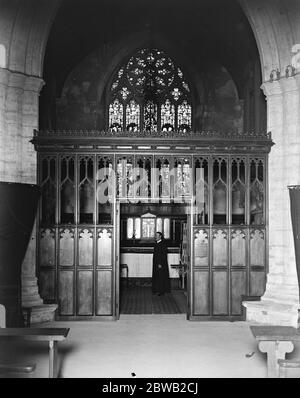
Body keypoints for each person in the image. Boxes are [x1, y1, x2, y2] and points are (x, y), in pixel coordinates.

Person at [152, 231, 170, 295]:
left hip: (160, 264)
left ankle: (162, 291)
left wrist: (160, 264)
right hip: (156, 263)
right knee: (156, 276)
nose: (155, 237)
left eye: (157, 236)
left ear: (160, 236)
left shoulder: (163, 244)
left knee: (161, 277)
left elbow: (163, 255)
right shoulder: (156, 243)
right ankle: (156, 289)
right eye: (155, 235)